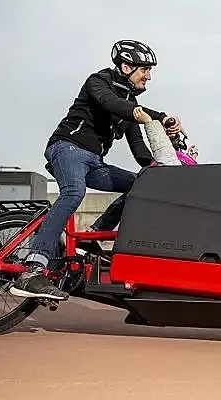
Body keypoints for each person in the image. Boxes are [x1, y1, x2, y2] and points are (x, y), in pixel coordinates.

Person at [9, 39, 181, 301]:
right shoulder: (99, 82)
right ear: (126, 67)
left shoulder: (131, 104)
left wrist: (161, 170)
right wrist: (157, 115)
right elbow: (111, 103)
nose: (148, 76)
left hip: (94, 162)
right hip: (67, 148)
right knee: (73, 192)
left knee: (141, 185)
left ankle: (91, 237)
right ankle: (33, 268)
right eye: (145, 70)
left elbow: (139, 149)